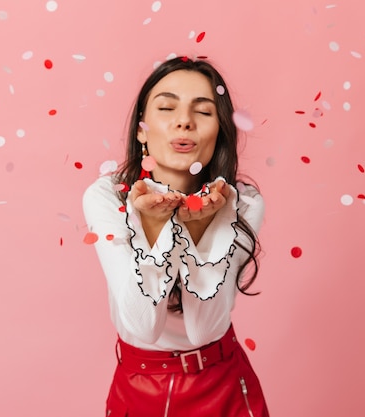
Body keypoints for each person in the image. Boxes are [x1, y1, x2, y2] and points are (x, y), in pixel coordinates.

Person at [82, 56, 269, 417]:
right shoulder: (108, 196)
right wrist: (153, 231)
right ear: (141, 130)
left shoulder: (243, 203)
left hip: (223, 386)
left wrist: (203, 232)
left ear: (220, 132)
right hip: (139, 386)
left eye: (203, 112)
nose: (184, 121)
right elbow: (142, 326)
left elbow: (204, 330)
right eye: (167, 107)